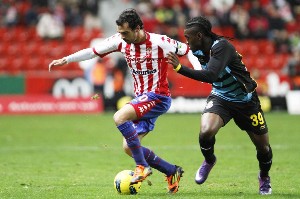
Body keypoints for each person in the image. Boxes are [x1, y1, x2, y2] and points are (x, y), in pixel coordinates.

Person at [49, 8, 200, 194]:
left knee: (119, 117)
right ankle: (171, 170)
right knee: (129, 147)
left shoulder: (159, 41)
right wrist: (66, 59)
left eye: (125, 32)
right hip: (142, 99)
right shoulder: (120, 41)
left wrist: (199, 69)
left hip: (158, 96)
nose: (122, 36)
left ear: (137, 29)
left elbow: (189, 50)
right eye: (120, 32)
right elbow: (93, 52)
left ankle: (142, 167)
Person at [167, 16, 273, 195]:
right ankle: (209, 160)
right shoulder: (197, 49)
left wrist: (179, 69)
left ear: (199, 35)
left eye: (188, 37)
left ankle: (264, 177)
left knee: (263, 147)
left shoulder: (222, 46)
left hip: (246, 101)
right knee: (206, 130)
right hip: (221, 98)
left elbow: (211, 75)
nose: (187, 41)